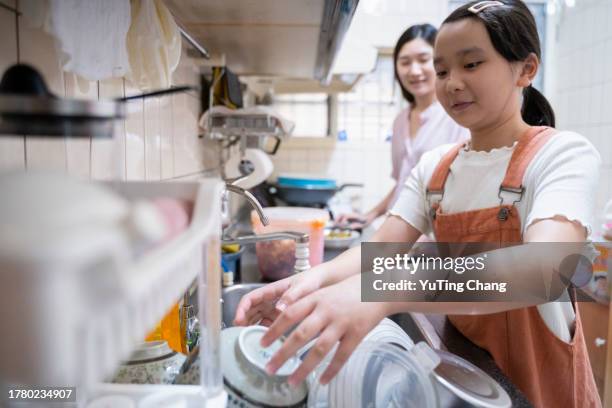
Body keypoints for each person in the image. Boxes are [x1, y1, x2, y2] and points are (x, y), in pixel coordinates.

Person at [234, 1, 602, 407]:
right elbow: (381, 252)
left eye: (472, 64)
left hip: (544, 392)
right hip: (469, 380)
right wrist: (307, 284)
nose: (452, 83)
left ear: (526, 69)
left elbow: (543, 270)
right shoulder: (435, 168)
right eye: (443, 70)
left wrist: (387, 288)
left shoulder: (560, 154)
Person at [336, 23, 468, 230]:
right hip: (400, 233)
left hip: (437, 237)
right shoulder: (400, 121)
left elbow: (463, 187)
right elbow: (404, 184)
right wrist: (370, 215)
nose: (414, 71)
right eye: (405, 62)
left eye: (424, 60)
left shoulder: (456, 116)